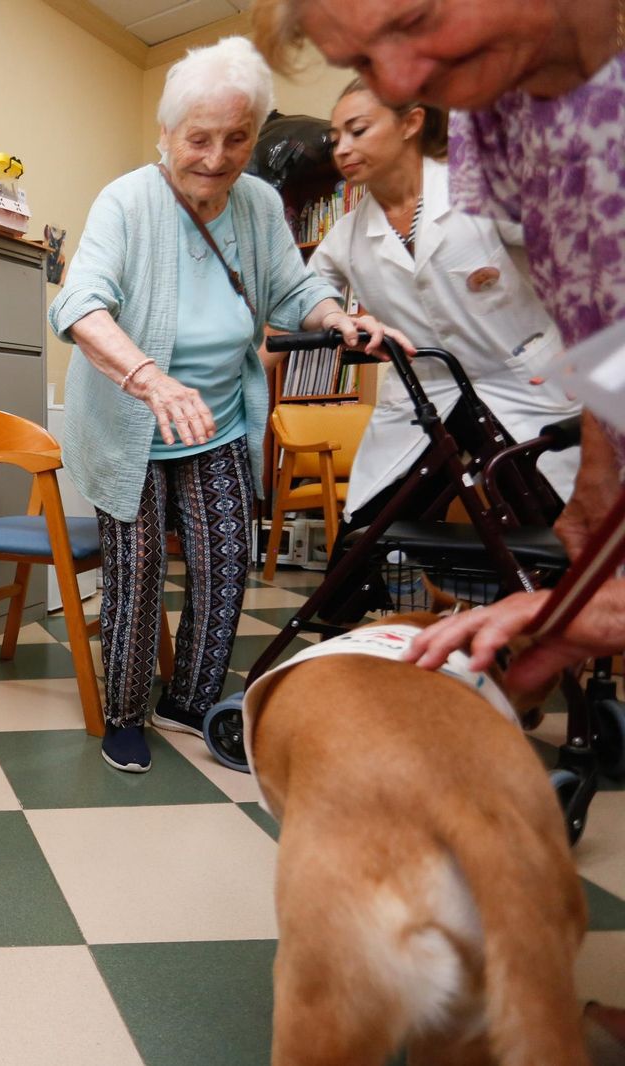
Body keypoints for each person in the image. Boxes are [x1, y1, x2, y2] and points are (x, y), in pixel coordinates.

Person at [253, 0, 625, 1051]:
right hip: (566, 395)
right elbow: (603, 302)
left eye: (411, 20)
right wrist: (604, 459)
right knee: (397, 529)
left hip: (529, 390)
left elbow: (566, 327)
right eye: (363, 62)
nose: (403, 74)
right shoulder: (505, 128)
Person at [48, 35, 409, 774]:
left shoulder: (258, 202)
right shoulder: (126, 201)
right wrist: (150, 378)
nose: (216, 157)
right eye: (199, 139)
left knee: (224, 563)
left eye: (236, 138)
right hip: (131, 421)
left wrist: (338, 319)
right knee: (137, 570)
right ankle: (124, 713)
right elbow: (80, 305)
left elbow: (293, 288)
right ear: (166, 136)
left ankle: (191, 701)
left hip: (216, 419)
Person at [310, 79, 581, 528]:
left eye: (357, 130)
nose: (342, 148)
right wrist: (341, 320)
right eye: (335, 138)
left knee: (552, 530)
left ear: (411, 122)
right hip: (427, 391)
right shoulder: (346, 236)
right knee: (370, 533)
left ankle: (522, 597)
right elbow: (304, 296)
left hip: (522, 383)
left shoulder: (482, 192)